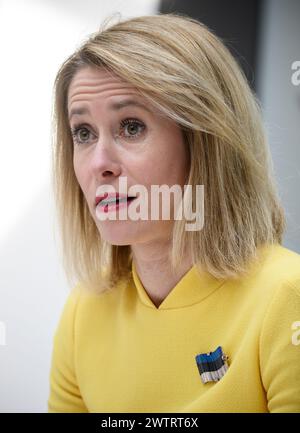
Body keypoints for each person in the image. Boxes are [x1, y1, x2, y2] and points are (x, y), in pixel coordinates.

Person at [48, 12, 300, 413]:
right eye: (83, 132)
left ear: (204, 142)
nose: (99, 163)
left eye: (131, 126)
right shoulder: (83, 312)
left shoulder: (288, 297)